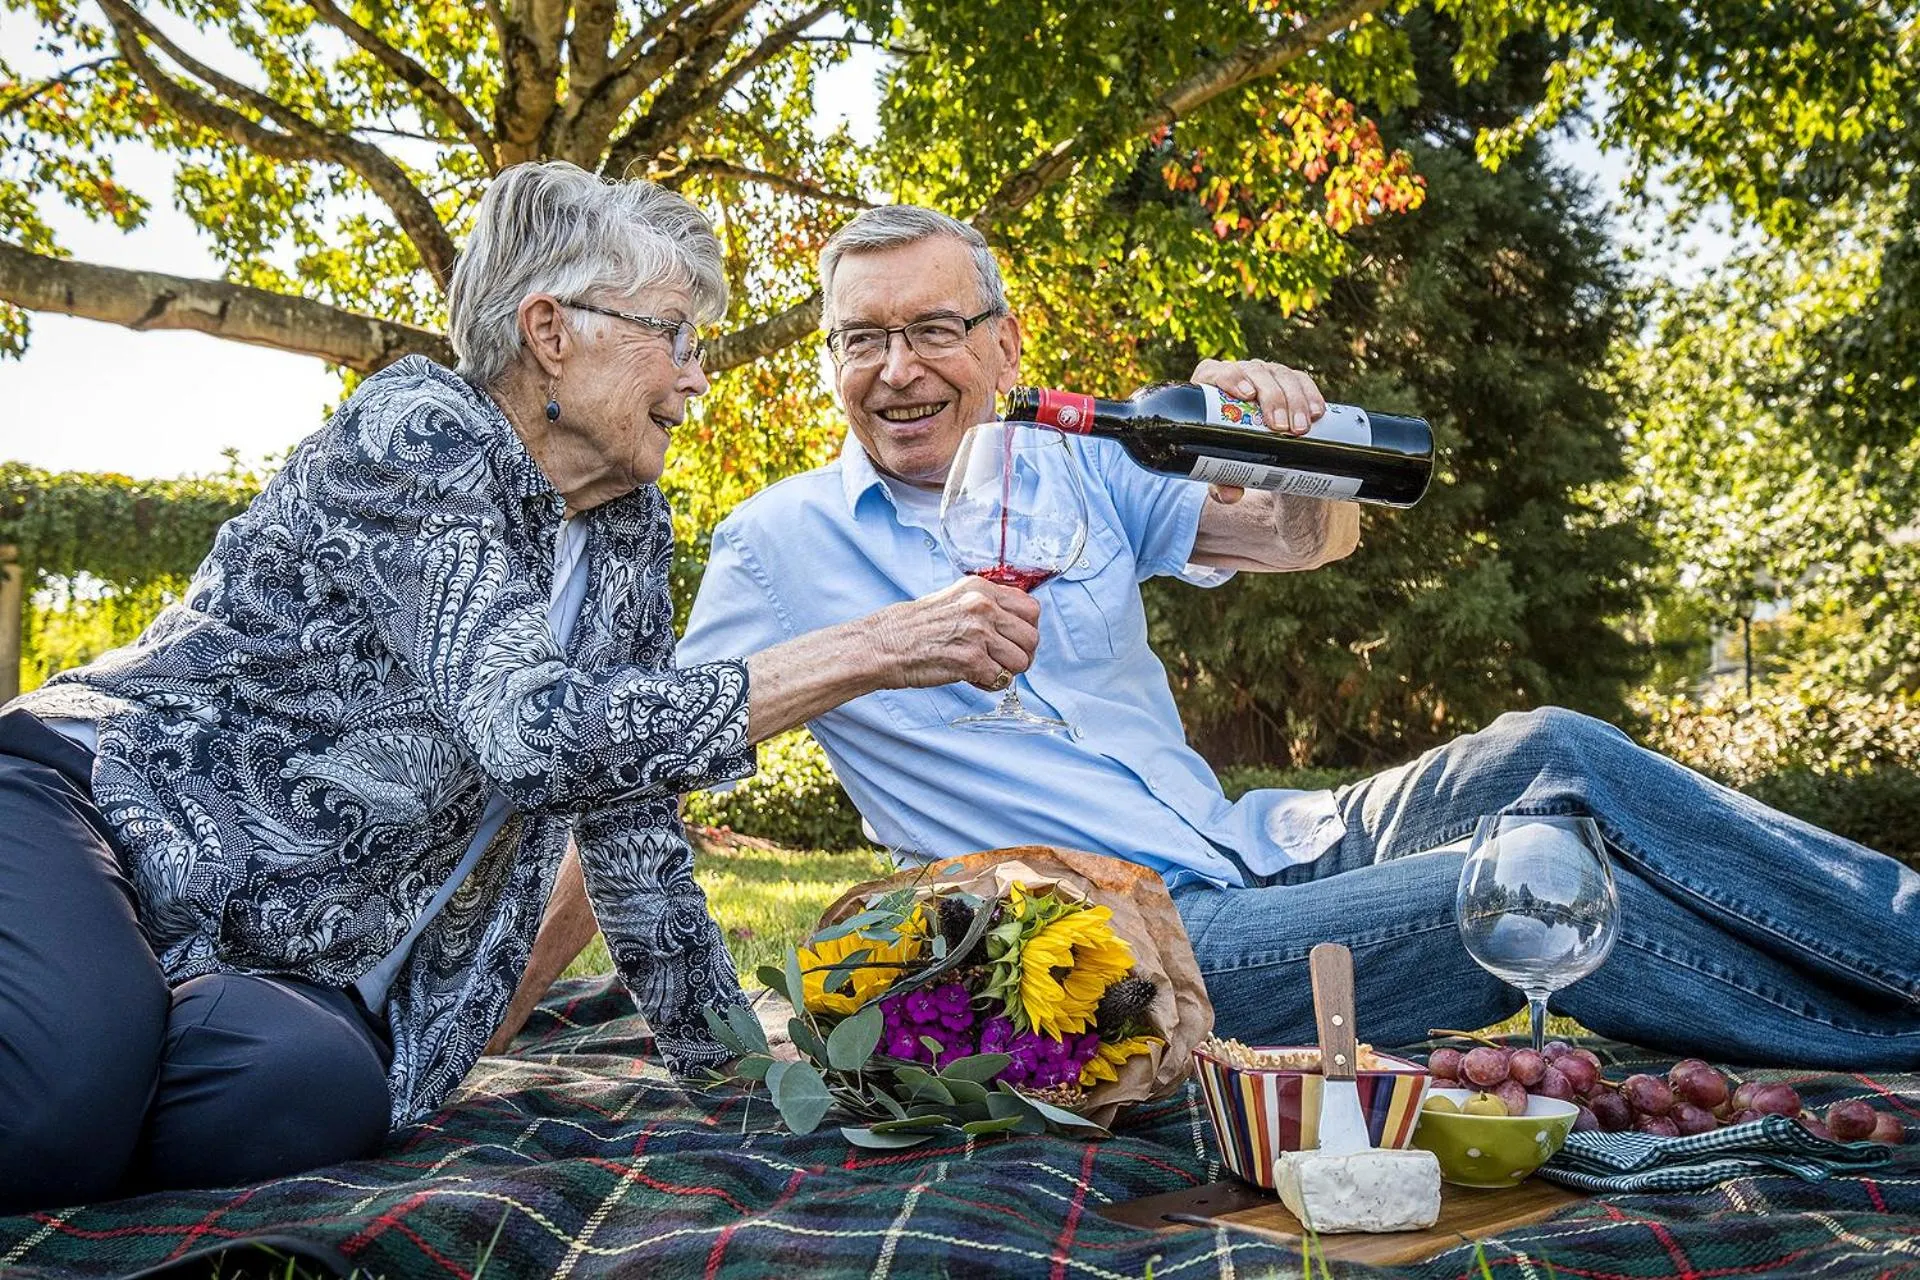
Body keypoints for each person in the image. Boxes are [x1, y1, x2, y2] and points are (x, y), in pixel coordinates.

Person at [507, 204, 1920, 1070]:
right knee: (1511, 890)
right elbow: (642, 771)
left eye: (934, 327)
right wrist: (480, 1028)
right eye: (859, 339)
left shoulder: (1087, 462)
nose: (897, 368)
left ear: (1007, 348)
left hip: (1266, 839)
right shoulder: (778, 541)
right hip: (1145, 943)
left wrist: (1295, 446)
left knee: (1547, 752)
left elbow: (1312, 538)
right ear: (827, 364)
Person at [0, 171, 1044, 1211]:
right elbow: (536, 733)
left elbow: (633, 838)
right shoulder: (416, 431)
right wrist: (871, 648)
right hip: (88, 803)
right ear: (552, 330)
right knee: (59, 1115)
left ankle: (92, 1041)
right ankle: (78, 1056)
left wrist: (747, 1087)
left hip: (257, 945)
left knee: (318, 1089)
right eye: (675, 336)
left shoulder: (630, 531)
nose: (695, 379)